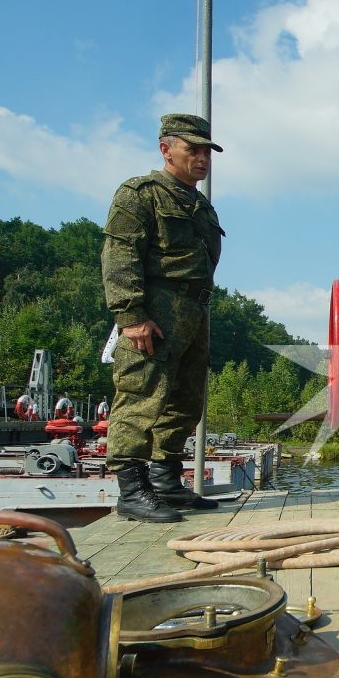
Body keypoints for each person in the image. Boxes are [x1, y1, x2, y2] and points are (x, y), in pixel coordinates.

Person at [101, 113, 225, 522]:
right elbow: (120, 255)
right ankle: (132, 491)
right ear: (166, 149)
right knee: (140, 395)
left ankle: (167, 482)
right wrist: (130, 314)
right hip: (155, 309)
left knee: (185, 400)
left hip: (194, 310)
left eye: (207, 151)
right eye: (193, 149)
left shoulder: (200, 205)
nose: (202, 158)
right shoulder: (141, 193)